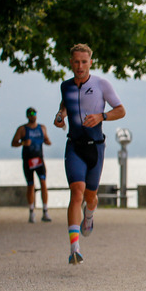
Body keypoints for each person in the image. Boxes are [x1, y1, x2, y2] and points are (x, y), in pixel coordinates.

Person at [54, 44, 126, 265]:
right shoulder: (65, 86)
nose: (80, 66)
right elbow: (66, 103)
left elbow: (121, 110)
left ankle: (89, 215)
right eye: (76, 62)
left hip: (95, 147)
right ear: (71, 63)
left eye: (84, 62)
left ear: (90, 63)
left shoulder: (101, 84)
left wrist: (101, 116)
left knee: (90, 196)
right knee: (76, 191)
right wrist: (60, 115)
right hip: (74, 146)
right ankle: (74, 248)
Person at [11, 107, 52, 223]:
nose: (32, 115)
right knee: (30, 185)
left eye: (34, 113)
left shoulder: (42, 128)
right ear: (27, 116)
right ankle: (31, 211)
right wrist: (23, 143)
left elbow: (47, 140)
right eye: (30, 113)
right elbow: (13, 143)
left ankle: (45, 210)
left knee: (43, 183)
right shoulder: (22, 129)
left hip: (39, 160)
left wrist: (47, 141)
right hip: (28, 160)